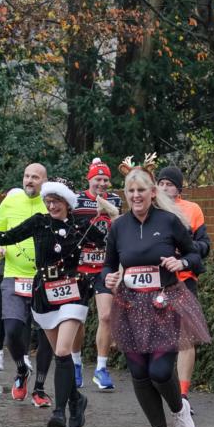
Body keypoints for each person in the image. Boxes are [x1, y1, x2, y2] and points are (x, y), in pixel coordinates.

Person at [0, 180, 107, 427]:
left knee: (61, 352)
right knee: (63, 355)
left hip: (73, 293)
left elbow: (107, 243)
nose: (51, 205)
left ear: (67, 203)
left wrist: (110, 217)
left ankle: (59, 412)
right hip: (45, 293)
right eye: (48, 201)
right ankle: (76, 400)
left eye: (56, 201)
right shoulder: (40, 222)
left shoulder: (81, 227)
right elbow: (8, 236)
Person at [102, 158, 210, 427]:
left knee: (160, 371)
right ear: (125, 195)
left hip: (166, 302)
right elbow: (108, 265)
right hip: (132, 305)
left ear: (152, 193)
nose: (135, 196)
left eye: (141, 190)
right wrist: (109, 278)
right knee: (139, 371)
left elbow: (195, 254)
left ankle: (179, 410)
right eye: (130, 191)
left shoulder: (169, 221)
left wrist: (182, 261)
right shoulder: (118, 227)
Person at [0, 165, 55, 407]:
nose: (30, 181)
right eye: (27, 176)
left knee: (46, 334)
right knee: (12, 332)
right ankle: (21, 370)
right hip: (13, 275)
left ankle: (39, 388)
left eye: (35, 177)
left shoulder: (50, 204)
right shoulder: (10, 202)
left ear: (44, 181)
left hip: (44, 278)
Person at [157, 165, 212, 411]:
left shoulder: (192, 210)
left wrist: (187, 251)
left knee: (185, 337)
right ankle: (162, 386)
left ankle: (183, 394)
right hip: (155, 281)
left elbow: (205, 245)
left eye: (170, 183)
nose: (165, 187)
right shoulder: (152, 209)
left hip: (185, 279)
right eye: (161, 183)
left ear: (178, 187)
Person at [71, 158, 122, 390]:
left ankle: (101, 369)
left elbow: (119, 230)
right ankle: (76, 363)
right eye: (97, 179)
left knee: (105, 316)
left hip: (104, 266)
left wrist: (111, 214)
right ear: (89, 179)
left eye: (105, 179)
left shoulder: (115, 200)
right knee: (78, 319)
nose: (101, 183)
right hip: (80, 268)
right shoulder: (77, 200)